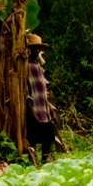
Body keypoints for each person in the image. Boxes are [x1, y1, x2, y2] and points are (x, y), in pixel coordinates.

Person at [25, 33, 58, 162]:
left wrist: (50, 108)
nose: (37, 51)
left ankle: (45, 161)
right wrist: (30, 111)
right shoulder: (24, 66)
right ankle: (32, 163)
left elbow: (43, 92)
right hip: (32, 110)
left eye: (38, 48)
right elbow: (25, 91)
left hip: (43, 111)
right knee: (31, 140)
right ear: (28, 49)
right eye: (35, 48)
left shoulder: (38, 66)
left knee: (48, 136)